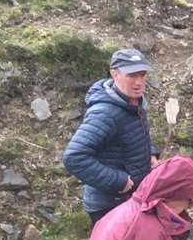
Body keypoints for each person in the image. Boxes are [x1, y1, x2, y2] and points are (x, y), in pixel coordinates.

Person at [63, 48, 159, 227]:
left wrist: (151, 154)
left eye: (142, 74)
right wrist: (118, 181)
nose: (139, 82)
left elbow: (130, 135)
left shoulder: (132, 103)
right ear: (114, 74)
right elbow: (74, 157)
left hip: (129, 199)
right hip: (110, 205)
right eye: (132, 75)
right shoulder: (105, 112)